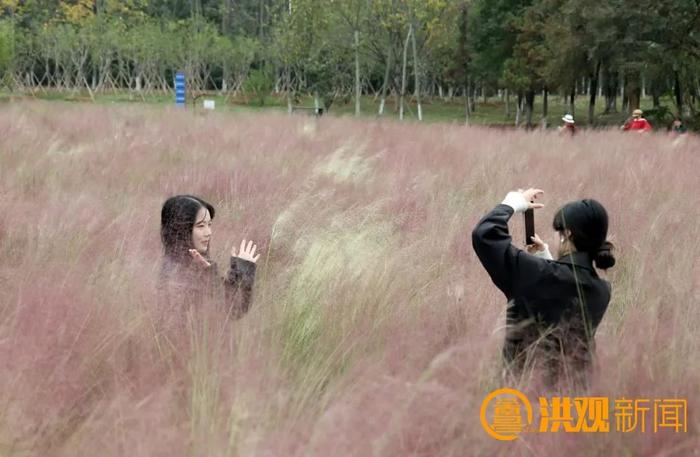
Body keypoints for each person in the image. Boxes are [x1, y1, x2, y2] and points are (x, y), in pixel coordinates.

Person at [472, 188, 615, 388]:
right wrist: (544, 258)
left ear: (566, 234)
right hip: (574, 400)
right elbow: (563, 291)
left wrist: (513, 202)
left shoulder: (536, 274)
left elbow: (485, 235)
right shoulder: (602, 290)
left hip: (525, 396)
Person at [159, 195, 260, 322]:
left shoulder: (198, 265)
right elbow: (225, 313)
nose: (208, 232)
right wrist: (210, 276)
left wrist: (241, 271)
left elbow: (235, 309)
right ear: (181, 230)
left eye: (209, 224)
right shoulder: (175, 274)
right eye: (200, 226)